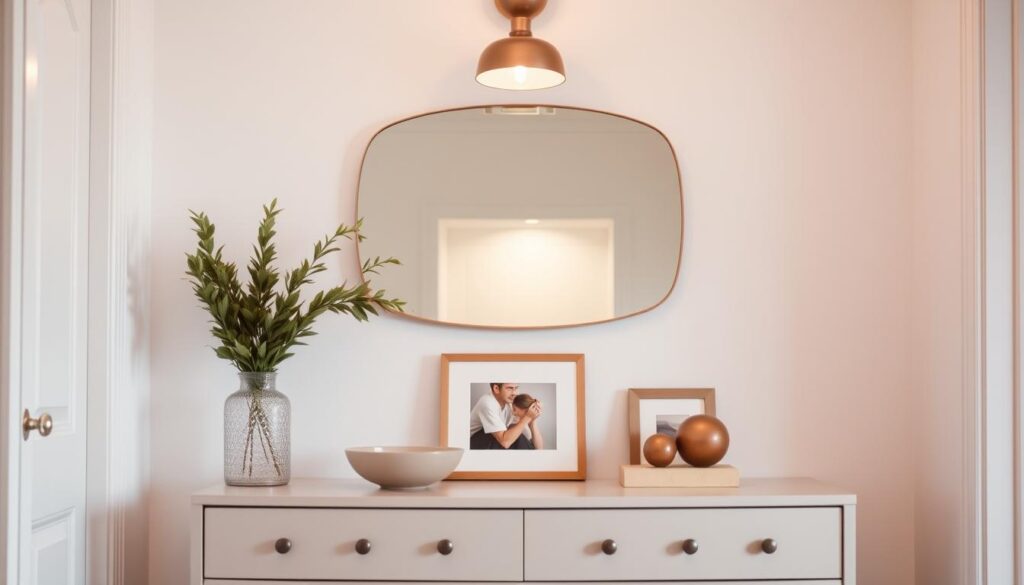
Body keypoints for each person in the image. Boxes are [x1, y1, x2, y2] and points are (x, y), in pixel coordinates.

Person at [468, 383, 542, 449]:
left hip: (495, 441)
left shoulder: (511, 403)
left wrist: (532, 420)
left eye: (516, 388)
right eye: (510, 388)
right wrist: (527, 417)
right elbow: (505, 443)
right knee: (511, 436)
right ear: (496, 388)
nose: (515, 393)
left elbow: (538, 448)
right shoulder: (487, 403)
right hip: (473, 443)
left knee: (515, 433)